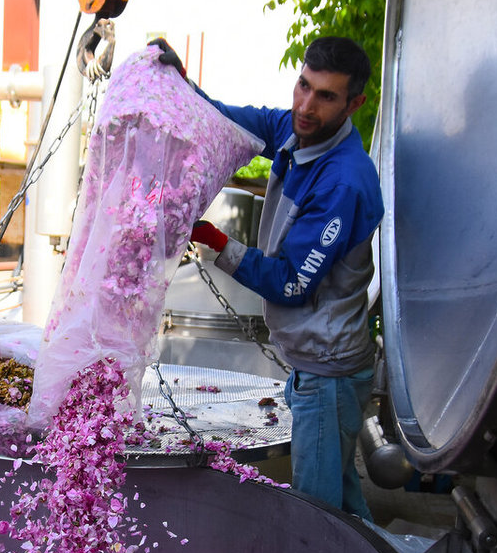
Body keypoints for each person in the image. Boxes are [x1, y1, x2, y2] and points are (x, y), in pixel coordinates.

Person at [149, 36, 383, 521]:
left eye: (326, 96)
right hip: (315, 363)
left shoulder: (343, 181)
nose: (306, 105)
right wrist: (176, 82)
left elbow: (292, 285)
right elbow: (225, 119)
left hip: (329, 372)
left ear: (353, 104)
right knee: (344, 505)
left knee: (318, 518)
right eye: (303, 86)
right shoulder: (296, 131)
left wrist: (215, 241)